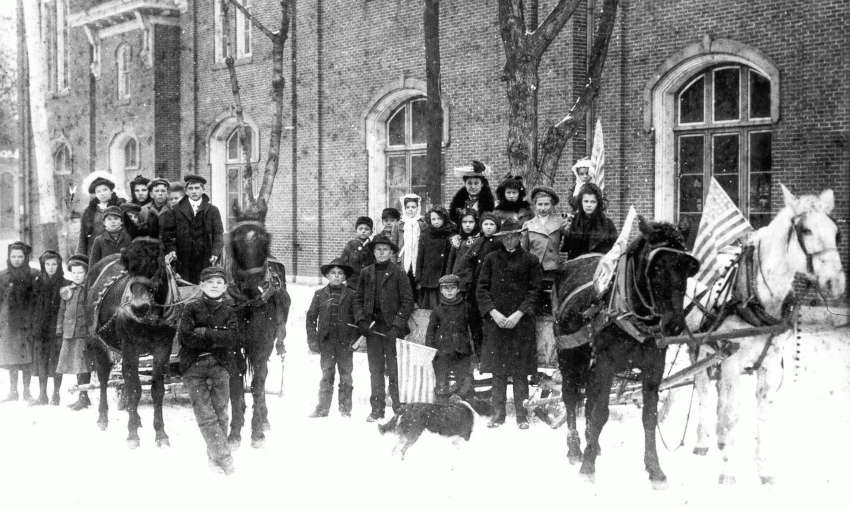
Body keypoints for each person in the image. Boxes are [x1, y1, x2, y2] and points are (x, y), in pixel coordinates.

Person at [477, 219, 542, 429]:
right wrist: (493, 313)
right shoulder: (490, 259)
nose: (509, 240)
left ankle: (522, 416)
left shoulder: (531, 261)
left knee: (520, 371)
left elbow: (535, 291)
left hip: (520, 324)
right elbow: (482, 289)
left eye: (514, 236)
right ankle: (498, 415)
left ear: (520, 237)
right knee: (498, 371)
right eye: (505, 236)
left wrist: (518, 314)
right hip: (496, 323)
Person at [179, 266, 239, 475]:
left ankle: (213, 459)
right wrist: (218, 336)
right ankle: (224, 458)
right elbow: (185, 338)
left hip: (220, 365)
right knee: (205, 414)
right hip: (194, 366)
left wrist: (204, 332)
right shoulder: (191, 308)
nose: (215, 286)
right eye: (210, 282)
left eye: (219, 283)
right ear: (202, 286)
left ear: (225, 287)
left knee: (222, 413)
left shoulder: (230, 310)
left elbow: (232, 338)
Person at [353, 236, 414, 422]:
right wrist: (361, 320)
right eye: (378, 249)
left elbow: (407, 301)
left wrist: (397, 326)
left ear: (391, 252)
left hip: (392, 330)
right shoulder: (366, 272)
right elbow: (358, 299)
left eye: (385, 250)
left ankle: (398, 408)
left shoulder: (398, 273)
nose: (381, 252)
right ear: (373, 252)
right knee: (376, 369)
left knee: (395, 370)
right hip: (373, 329)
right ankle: (377, 409)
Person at [306, 258, 357, 418]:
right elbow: (311, 318)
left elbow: (358, 319)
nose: (336, 276)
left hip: (345, 343)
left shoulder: (352, 295)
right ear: (327, 276)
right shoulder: (320, 294)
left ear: (344, 277)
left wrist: (354, 341)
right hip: (327, 343)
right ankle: (322, 409)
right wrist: (313, 340)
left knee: (346, 376)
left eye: (340, 273)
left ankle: (345, 410)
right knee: (327, 375)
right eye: (333, 273)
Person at [161, 174, 224, 284]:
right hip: (183, 259)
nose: (194, 191)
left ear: (203, 190)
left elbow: (218, 234)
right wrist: (172, 250)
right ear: (186, 191)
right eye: (191, 188)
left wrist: (215, 252)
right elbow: (168, 235)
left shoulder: (213, 210)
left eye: (197, 188)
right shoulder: (175, 211)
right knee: (184, 287)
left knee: (205, 285)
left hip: (206, 258)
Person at [0, 241, 40, 402]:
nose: (17, 259)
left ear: (25, 257)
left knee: (27, 357)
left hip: (28, 321)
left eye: (20, 256)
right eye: (13, 256)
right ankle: (13, 391)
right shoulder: (2, 276)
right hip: (9, 323)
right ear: (9, 257)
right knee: (11, 357)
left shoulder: (33, 274)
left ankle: (27, 391)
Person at [425, 274, 474, 403]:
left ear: (458, 289)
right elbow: (431, 331)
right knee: (441, 382)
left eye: (452, 288)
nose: (449, 291)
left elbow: (475, 330)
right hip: (442, 352)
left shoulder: (466, 308)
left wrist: (475, 351)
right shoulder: (437, 310)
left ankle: (463, 408)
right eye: (445, 288)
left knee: (464, 382)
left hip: (462, 351)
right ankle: (441, 407)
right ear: (441, 290)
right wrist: (430, 351)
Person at [55, 254, 93, 410]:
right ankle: (83, 397)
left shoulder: (89, 290)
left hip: (84, 333)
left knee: (83, 366)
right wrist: (59, 328)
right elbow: (62, 310)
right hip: (70, 333)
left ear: (86, 274)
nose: (77, 276)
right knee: (76, 366)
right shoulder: (67, 290)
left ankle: (83, 397)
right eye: (74, 273)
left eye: (80, 273)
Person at [31, 250, 67, 406]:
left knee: (57, 361)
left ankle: (56, 394)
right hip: (40, 328)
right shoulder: (37, 283)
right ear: (43, 265)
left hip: (57, 329)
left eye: (54, 264)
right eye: (47, 264)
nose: (51, 267)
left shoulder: (65, 284)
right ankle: (42, 394)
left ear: (58, 265)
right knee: (41, 360)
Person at [561, 183, 618, 260]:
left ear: (598, 203)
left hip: (599, 267)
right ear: (581, 202)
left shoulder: (608, 224)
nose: (589, 205)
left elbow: (615, 250)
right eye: (586, 201)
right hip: (576, 267)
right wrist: (566, 232)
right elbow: (568, 248)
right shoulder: (573, 222)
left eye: (593, 202)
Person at [415, 206, 456, 310]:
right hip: (429, 277)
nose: (436, 221)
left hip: (444, 275)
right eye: (433, 219)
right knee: (429, 307)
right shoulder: (425, 235)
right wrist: (419, 278)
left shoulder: (450, 234)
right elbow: (420, 257)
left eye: (439, 219)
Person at [78, 176, 125, 256]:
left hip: (116, 250)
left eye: (105, 190)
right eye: (98, 191)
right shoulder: (89, 211)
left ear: (111, 191)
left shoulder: (121, 206)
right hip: (94, 252)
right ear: (95, 194)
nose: (102, 193)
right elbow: (83, 236)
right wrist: (80, 256)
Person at [448, 160, 495, 227]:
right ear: (465, 184)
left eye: (476, 183)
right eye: (469, 183)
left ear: (481, 184)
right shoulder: (459, 203)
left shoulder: (488, 204)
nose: (473, 187)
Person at [397, 194, 426, 300]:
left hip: (418, 256)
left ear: (417, 208)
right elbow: (394, 244)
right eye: (408, 207)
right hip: (404, 258)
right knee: (405, 281)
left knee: (417, 281)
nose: (410, 210)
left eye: (413, 207)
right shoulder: (399, 224)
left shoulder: (422, 223)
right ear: (404, 208)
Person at [338, 216, 375, 291]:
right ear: (356, 231)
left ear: (371, 232)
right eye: (360, 229)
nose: (363, 231)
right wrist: (343, 279)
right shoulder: (350, 245)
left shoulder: (373, 246)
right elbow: (343, 262)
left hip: (368, 283)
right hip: (352, 283)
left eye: (366, 229)